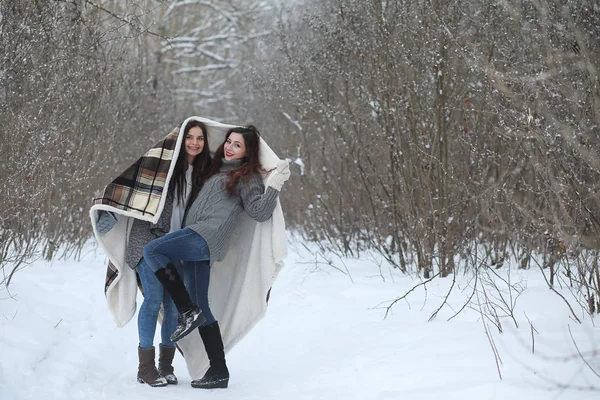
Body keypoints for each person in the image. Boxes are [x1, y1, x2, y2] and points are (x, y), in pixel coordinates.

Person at [142, 125, 291, 389]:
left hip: (204, 237)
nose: (229, 147)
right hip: (200, 244)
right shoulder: (219, 170)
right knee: (203, 307)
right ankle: (219, 370)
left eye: (237, 145)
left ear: (248, 152)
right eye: (229, 142)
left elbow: (259, 212)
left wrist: (275, 184)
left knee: (152, 250)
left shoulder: (247, 177)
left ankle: (186, 310)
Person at [96, 120, 211, 387]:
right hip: (147, 239)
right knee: (153, 299)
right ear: (179, 140)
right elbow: (132, 183)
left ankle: (166, 366)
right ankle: (145, 369)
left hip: (175, 243)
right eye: (189, 137)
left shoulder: (202, 174)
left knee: (172, 307)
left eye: (200, 138)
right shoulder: (163, 165)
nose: (194, 142)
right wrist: (108, 210)